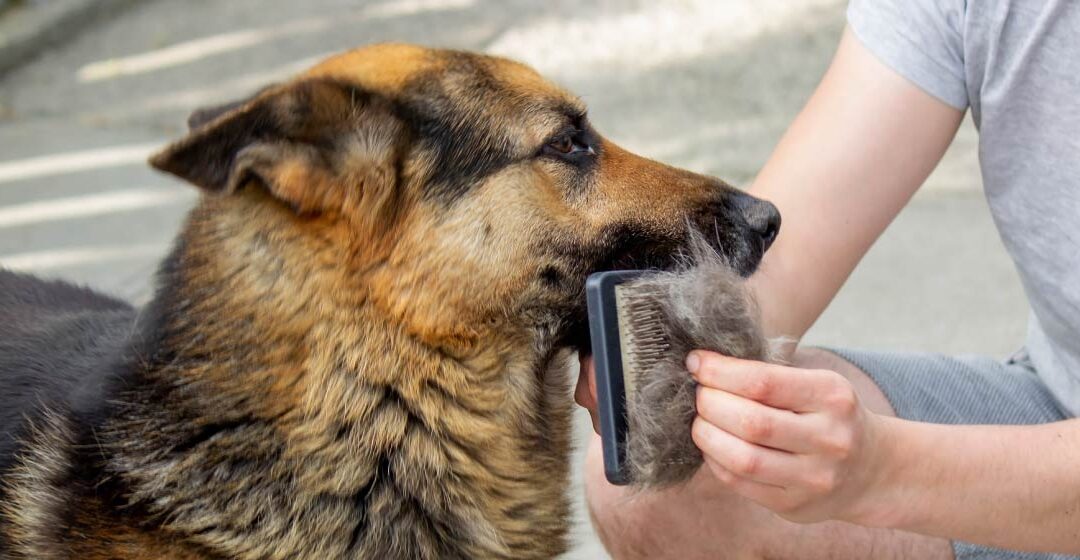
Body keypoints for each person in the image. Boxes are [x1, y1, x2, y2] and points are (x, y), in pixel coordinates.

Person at [576, 0, 1080, 558]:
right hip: (1059, 395)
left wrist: (886, 471)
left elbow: (888, 474)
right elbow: (777, 267)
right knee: (658, 470)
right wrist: (670, 349)